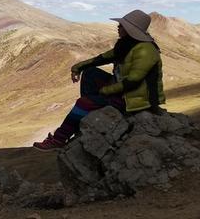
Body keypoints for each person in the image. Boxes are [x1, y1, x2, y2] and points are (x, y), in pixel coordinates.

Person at [33, 9, 165, 151]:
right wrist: (78, 67)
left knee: (83, 102)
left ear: (130, 30)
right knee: (90, 73)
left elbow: (133, 81)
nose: (118, 27)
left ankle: (59, 139)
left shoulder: (145, 51)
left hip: (134, 100)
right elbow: (104, 58)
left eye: (122, 26)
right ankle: (90, 109)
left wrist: (106, 91)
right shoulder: (127, 45)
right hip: (124, 92)